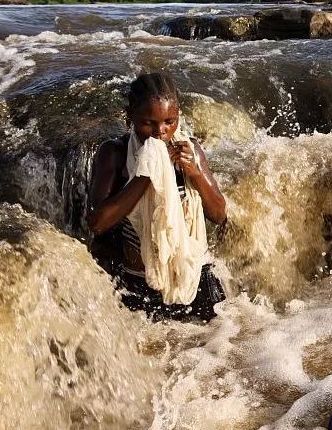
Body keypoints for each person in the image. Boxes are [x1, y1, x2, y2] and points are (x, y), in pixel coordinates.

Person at [87, 72, 228, 321]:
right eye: (148, 123)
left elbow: (218, 214)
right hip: (140, 284)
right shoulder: (115, 154)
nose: (160, 132)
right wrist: (144, 175)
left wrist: (193, 172)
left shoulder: (190, 150)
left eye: (169, 122)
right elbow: (98, 223)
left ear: (178, 116)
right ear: (130, 116)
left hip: (195, 278)